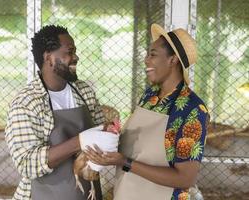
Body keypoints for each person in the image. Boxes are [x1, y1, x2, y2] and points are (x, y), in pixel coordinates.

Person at [85, 23, 209, 200]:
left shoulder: (192, 109)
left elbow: (184, 178)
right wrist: (108, 137)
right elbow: (134, 146)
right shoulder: (150, 96)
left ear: (172, 60)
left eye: (153, 54)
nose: (146, 60)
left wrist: (124, 162)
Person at [5, 25, 118, 200]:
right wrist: (80, 141)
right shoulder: (26, 102)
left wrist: (108, 133)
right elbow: (27, 164)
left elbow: (98, 136)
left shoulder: (84, 91)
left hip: (87, 193)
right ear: (48, 57)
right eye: (70, 52)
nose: (76, 57)